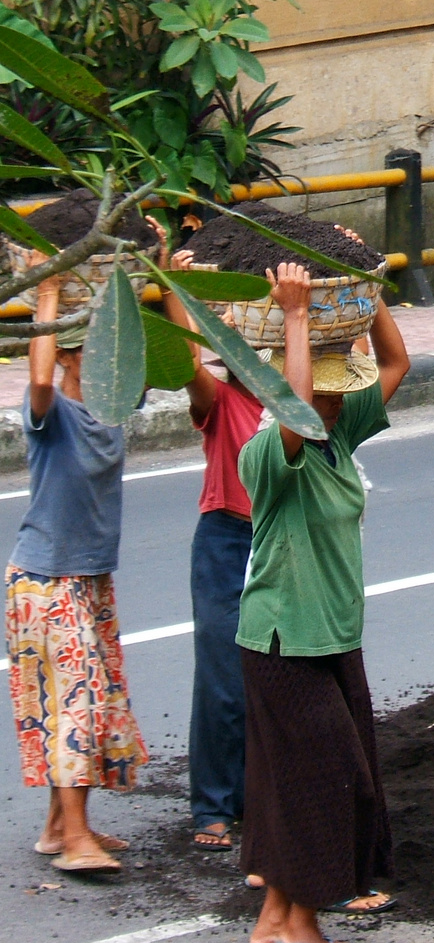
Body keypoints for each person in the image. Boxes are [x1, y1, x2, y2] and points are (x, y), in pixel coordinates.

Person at [237, 262, 410, 943]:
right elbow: (295, 411)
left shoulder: (340, 442)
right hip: (283, 640)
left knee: (297, 777)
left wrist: (367, 297)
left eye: (341, 397)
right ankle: (302, 921)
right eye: (324, 397)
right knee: (327, 777)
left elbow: (398, 361)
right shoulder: (271, 455)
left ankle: (274, 913)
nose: (333, 407)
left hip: (335, 639)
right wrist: (299, 318)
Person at [7, 252, 147, 874]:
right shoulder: (51, 416)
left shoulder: (111, 413)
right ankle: (78, 837)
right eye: (92, 351)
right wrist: (49, 293)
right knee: (77, 701)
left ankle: (58, 827)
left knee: (99, 693)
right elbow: (36, 384)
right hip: (44, 579)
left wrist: (169, 273)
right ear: (65, 356)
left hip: (89, 576)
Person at [163, 246, 264, 853]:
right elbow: (183, 363)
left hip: (284, 544)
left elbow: (357, 358)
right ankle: (213, 806)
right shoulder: (222, 403)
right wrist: (172, 283)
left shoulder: (304, 406)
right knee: (225, 677)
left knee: (281, 675)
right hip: (226, 540)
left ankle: (261, 796)